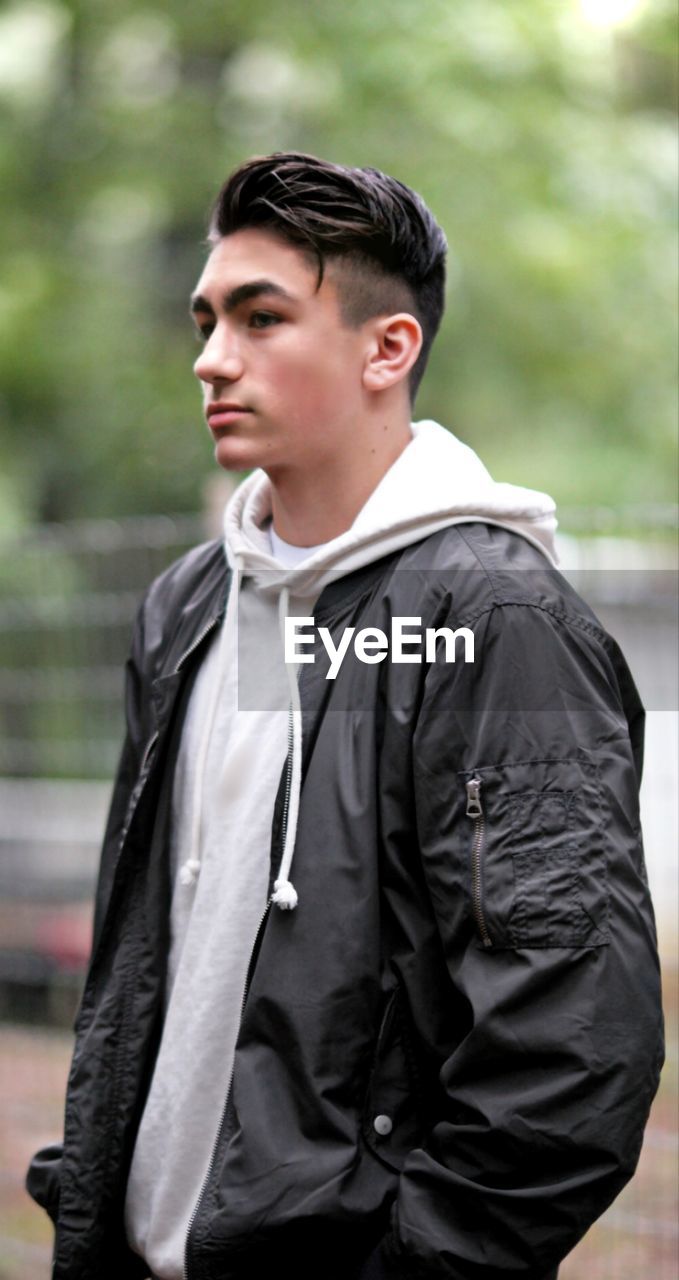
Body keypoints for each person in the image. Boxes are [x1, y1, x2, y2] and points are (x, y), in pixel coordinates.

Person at [26, 153, 663, 1280]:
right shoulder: (187, 604)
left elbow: (570, 1044)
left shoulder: (496, 620)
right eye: (207, 318)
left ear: (388, 348)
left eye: (261, 317)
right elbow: (149, 964)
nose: (211, 358)